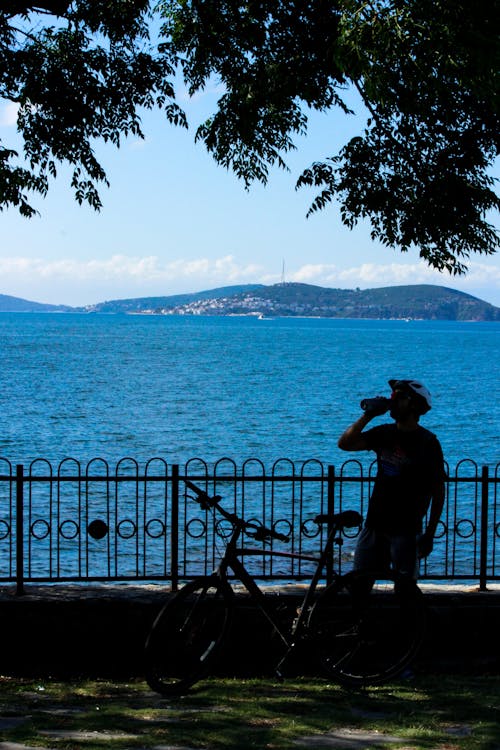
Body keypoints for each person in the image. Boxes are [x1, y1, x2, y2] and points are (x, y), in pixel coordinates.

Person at [338, 379, 446, 581]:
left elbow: (438, 492)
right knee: (359, 586)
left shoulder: (428, 443)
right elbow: (345, 443)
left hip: (406, 530)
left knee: (406, 593)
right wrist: (368, 415)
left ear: (415, 404)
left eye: (399, 397)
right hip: (374, 525)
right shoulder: (384, 433)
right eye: (392, 396)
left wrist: (429, 534)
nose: (392, 401)